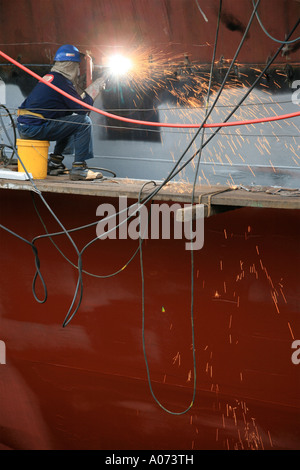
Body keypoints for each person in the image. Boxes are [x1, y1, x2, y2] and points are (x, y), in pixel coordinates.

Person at [17, 44, 104, 181]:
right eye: (77, 67)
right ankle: (79, 168)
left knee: (69, 121)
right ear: (71, 65)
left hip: (27, 126)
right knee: (84, 122)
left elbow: (72, 109)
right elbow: (83, 110)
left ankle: (54, 162)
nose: (78, 71)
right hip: (35, 128)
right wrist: (94, 89)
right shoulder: (61, 82)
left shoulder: (52, 77)